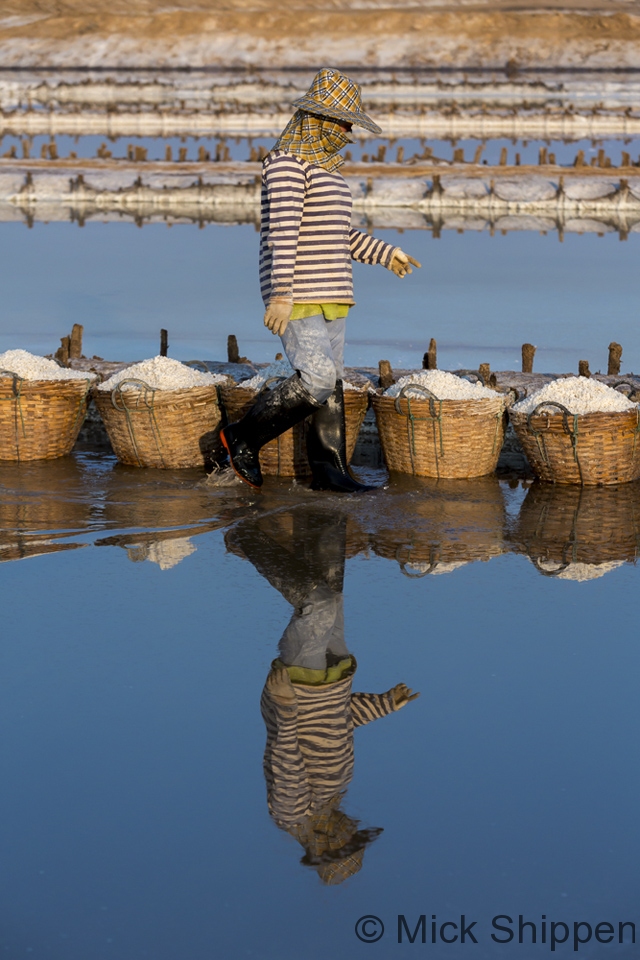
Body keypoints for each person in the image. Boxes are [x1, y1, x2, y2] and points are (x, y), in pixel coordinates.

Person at [221, 68, 421, 493]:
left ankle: (330, 471)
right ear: (318, 118)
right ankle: (240, 438)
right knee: (315, 377)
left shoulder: (329, 172)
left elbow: (337, 234)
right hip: (297, 292)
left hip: (333, 292)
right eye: (343, 121)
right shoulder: (287, 165)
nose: (349, 131)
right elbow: (284, 229)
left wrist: (387, 254)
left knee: (330, 383)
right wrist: (279, 294)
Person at [225, 505, 419, 884]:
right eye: (356, 837)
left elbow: (286, 755)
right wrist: (384, 706)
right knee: (333, 591)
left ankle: (243, 537)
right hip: (332, 686)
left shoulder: (293, 813)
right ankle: (318, 516)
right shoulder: (334, 794)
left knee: (318, 607)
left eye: (347, 841)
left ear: (321, 846)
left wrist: (283, 703)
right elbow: (338, 723)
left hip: (297, 692)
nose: (352, 830)